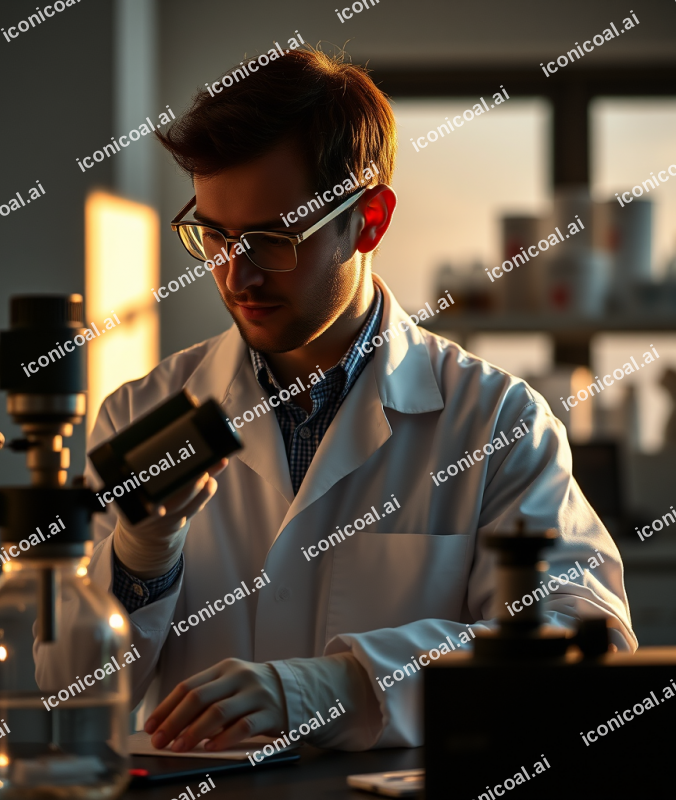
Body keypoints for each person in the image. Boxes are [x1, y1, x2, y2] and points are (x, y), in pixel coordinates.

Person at [81, 48, 635, 752]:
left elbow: (589, 649)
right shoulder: (139, 415)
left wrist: (341, 685)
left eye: (273, 237)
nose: (235, 273)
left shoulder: (498, 421)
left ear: (369, 220)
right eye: (215, 234)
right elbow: (64, 690)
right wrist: (139, 558)